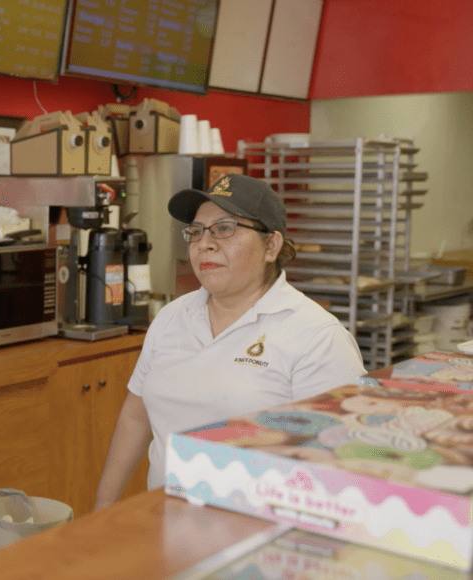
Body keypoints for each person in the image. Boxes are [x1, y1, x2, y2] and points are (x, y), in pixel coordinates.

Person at [95, 174, 366, 507]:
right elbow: (136, 416)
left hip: (253, 538)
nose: (204, 243)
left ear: (271, 246)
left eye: (225, 228)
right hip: (163, 524)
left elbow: (337, 466)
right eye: (196, 231)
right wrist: (101, 509)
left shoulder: (317, 337)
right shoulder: (171, 317)